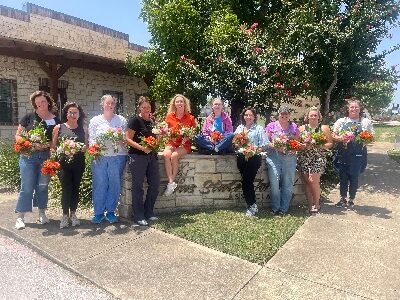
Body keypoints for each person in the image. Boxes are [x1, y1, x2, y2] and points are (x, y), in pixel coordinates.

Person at [14, 91, 61, 230]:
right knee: (27, 187)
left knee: (42, 186)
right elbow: (17, 136)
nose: (40, 104)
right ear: (34, 104)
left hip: (46, 157)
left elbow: (56, 141)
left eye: (43, 101)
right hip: (29, 156)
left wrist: (49, 147)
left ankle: (42, 214)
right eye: (38, 102)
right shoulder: (29, 117)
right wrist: (29, 144)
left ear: (48, 102)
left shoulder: (56, 120)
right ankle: (20, 217)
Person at [88, 95, 127, 224]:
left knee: (114, 184)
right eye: (107, 103)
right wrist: (94, 152)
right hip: (100, 156)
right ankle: (98, 213)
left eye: (112, 103)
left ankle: (110, 212)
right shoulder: (95, 121)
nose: (110, 105)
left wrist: (119, 139)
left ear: (115, 106)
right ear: (102, 105)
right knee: (100, 183)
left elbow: (125, 140)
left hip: (117, 156)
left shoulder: (121, 120)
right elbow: (92, 139)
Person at [331, 99, 374, 210]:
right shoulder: (341, 121)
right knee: (343, 177)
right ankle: (343, 199)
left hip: (358, 154)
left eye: (356, 107)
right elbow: (333, 135)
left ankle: (351, 200)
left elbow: (372, 137)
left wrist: (366, 138)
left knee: (354, 178)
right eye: (352, 107)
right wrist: (340, 138)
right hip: (343, 154)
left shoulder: (365, 122)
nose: (354, 109)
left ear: (360, 109)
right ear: (347, 109)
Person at [52, 102, 88, 229]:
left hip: (78, 163)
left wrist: (82, 148)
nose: (73, 115)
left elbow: (86, 147)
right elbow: (53, 147)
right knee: (66, 189)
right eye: (70, 112)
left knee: (75, 188)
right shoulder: (59, 128)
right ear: (66, 114)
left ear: (79, 115)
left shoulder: (83, 129)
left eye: (75, 113)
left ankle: (73, 214)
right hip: (63, 165)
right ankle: (64, 216)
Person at [126, 96, 160, 226]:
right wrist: (142, 148)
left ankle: (149, 211)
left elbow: (155, 138)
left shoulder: (152, 121)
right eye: (144, 107)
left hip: (151, 157)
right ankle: (138, 215)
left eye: (148, 107)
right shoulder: (135, 120)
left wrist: (158, 140)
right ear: (139, 107)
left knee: (155, 184)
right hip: (137, 157)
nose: (146, 109)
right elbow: (128, 139)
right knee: (138, 187)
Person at [265, 106, 300, 216]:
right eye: (282, 114)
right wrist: (277, 147)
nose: (284, 116)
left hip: (289, 158)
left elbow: (297, 142)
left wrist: (292, 147)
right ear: (278, 115)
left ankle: (284, 208)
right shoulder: (271, 126)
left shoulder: (293, 127)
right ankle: (275, 207)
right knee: (274, 182)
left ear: (289, 115)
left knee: (288, 183)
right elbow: (266, 142)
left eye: (286, 114)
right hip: (274, 157)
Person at [234, 107, 269, 216]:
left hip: (254, 158)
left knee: (247, 181)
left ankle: (252, 205)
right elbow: (235, 142)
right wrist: (237, 145)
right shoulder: (239, 128)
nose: (248, 117)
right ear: (243, 116)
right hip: (241, 157)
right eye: (246, 115)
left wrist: (252, 150)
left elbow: (264, 145)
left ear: (254, 117)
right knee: (245, 181)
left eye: (250, 115)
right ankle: (251, 204)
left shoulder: (258, 128)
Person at [297, 107, 333, 213]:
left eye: (315, 115)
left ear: (319, 117)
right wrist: (303, 146)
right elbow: (297, 144)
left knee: (313, 180)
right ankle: (310, 204)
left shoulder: (324, 128)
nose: (313, 117)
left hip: (318, 157)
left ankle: (317, 204)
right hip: (305, 157)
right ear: (307, 117)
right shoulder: (302, 129)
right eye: (311, 115)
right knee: (307, 182)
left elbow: (330, 143)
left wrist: (321, 146)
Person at [163, 94, 196, 196]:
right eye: (177, 102)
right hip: (172, 143)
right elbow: (164, 130)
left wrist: (188, 136)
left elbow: (193, 133)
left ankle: (171, 183)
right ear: (174, 104)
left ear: (185, 104)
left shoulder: (190, 118)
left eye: (181, 101)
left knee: (174, 156)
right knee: (166, 155)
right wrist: (169, 134)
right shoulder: (169, 116)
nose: (179, 103)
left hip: (184, 144)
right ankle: (171, 182)